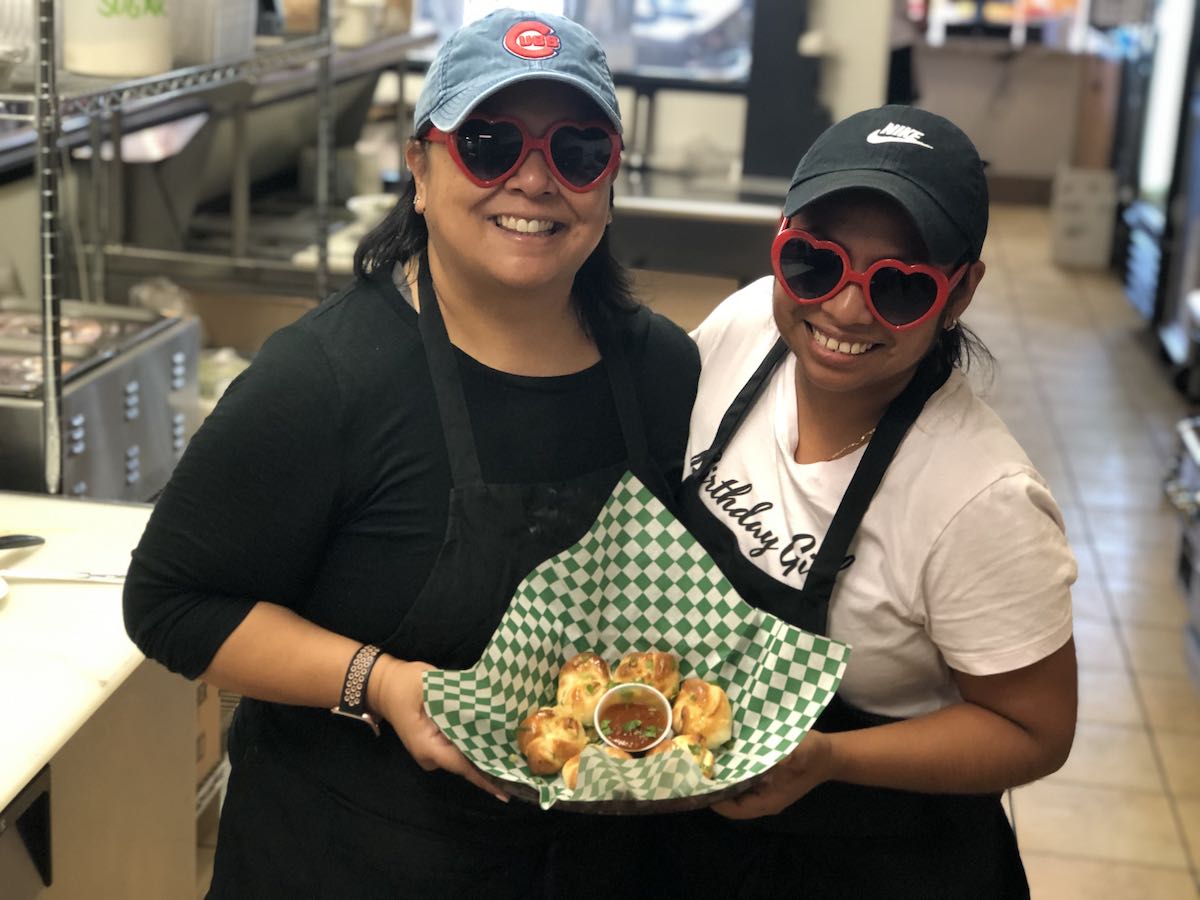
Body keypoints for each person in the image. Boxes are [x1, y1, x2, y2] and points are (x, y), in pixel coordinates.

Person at [123, 9, 699, 898]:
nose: (536, 178)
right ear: (420, 168)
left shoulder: (661, 368)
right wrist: (379, 683)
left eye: (578, 149)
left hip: (585, 864)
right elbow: (171, 605)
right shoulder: (323, 381)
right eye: (489, 143)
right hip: (346, 861)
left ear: (609, 179)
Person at [664, 105, 1077, 898]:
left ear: (959, 295)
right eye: (815, 263)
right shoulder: (748, 324)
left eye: (899, 286)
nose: (846, 311)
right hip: (702, 840)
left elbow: (1036, 733)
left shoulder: (979, 497)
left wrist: (830, 760)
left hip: (880, 856)